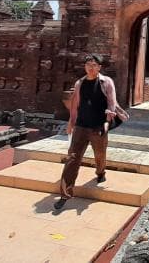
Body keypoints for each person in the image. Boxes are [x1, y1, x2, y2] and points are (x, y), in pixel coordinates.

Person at [54, 54, 128, 210]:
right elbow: (75, 106)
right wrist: (71, 123)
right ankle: (65, 194)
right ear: (85, 66)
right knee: (72, 159)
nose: (91, 67)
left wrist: (108, 119)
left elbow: (112, 102)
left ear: (99, 67)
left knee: (99, 154)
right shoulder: (80, 83)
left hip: (99, 126)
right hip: (81, 126)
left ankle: (100, 172)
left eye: (94, 64)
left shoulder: (106, 82)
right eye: (88, 64)